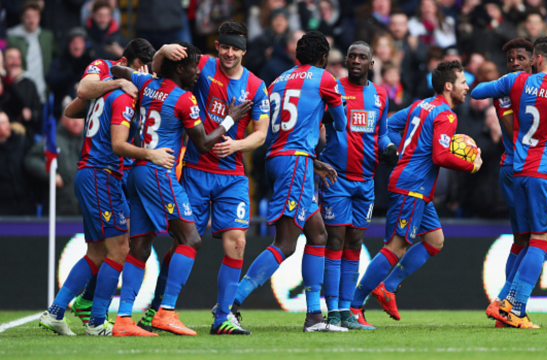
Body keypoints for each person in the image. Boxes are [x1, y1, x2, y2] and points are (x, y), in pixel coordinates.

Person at [110, 41, 250, 337]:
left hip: (136, 171)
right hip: (158, 171)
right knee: (191, 238)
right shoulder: (184, 99)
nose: (198, 73)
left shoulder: (146, 82)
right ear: (179, 68)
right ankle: (167, 312)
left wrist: (130, 76)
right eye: (192, 67)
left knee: (140, 245)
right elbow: (203, 144)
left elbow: (115, 68)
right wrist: (230, 119)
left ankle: (123, 319)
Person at [39, 58, 177, 336]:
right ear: (131, 66)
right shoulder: (122, 95)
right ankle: (97, 321)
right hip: (102, 174)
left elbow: (71, 108)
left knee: (98, 251)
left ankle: (56, 312)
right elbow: (118, 144)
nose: (146, 78)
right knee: (119, 249)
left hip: (92, 173)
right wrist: (152, 154)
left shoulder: (104, 92)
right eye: (143, 71)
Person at [147, 21, 267, 336]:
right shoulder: (200, 65)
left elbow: (262, 134)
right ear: (217, 46)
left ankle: (223, 317)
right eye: (225, 46)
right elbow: (158, 73)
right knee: (181, 244)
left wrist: (237, 145)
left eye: (235, 48)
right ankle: (160, 308)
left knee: (237, 242)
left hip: (232, 175)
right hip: (197, 170)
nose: (229, 53)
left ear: (244, 50)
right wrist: (161, 51)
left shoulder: (256, 86)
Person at [349, 60, 482, 328]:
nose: (467, 86)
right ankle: (353, 307)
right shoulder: (447, 115)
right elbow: (441, 155)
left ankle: (388, 287)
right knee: (396, 247)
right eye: (462, 82)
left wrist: (404, 151)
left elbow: (388, 124)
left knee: (434, 240)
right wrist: (471, 164)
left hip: (414, 185)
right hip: (412, 187)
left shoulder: (420, 106)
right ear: (448, 86)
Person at [230, 31, 348, 332]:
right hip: (294, 161)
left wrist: (311, 159)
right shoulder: (325, 78)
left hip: (284, 158)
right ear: (323, 59)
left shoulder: (278, 81)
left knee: (318, 233)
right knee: (285, 242)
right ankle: (230, 301)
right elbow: (342, 122)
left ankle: (313, 317)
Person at [471, 36, 547, 328]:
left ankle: (504, 303)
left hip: (517, 171)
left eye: (531, 57)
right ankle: (514, 307)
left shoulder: (515, 82)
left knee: (529, 240)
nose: (529, 62)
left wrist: (502, 95)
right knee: (544, 239)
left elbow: (479, 90)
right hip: (546, 174)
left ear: (539, 59)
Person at [318, 40, 397, 330]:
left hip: (365, 182)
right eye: (351, 56)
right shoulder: (333, 89)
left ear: (371, 64)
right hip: (337, 178)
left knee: (354, 244)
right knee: (335, 242)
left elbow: (382, 134)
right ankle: (333, 312)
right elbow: (317, 123)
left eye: (362, 57)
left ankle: (348, 311)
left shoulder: (379, 95)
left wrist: (389, 148)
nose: (355, 60)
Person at [7, 1, 54, 103]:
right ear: (22, 18)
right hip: (21, 91)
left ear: (39, 17)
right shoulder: (13, 38)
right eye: (28, 16)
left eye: (35, 16)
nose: (31, 20)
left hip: (43, 91)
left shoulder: (47, 37)